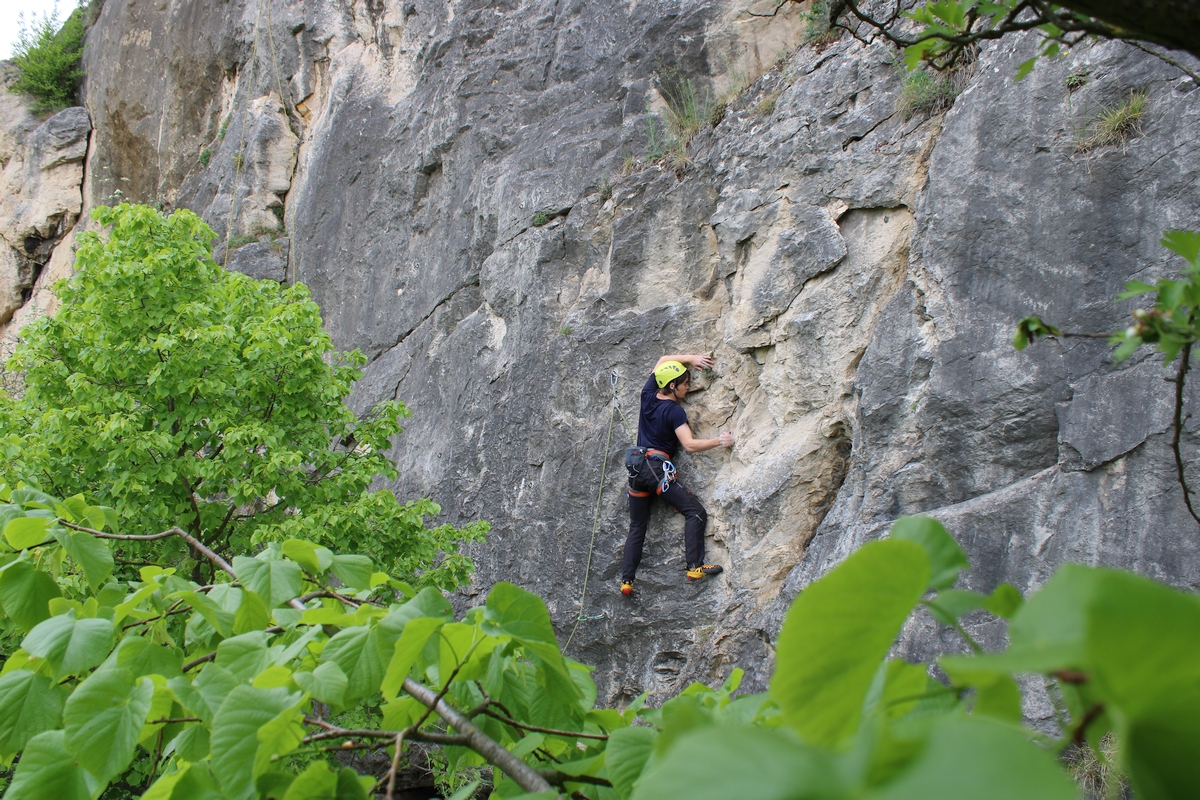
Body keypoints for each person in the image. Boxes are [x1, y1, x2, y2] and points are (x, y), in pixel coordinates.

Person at [620, 353, 734, 596]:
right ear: (672, 385)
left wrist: (691, 358)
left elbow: (661, 360)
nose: (688, 387)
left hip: (637, 469)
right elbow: (690, 445)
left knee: (637, 525)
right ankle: (695, 567)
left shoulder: (648, 395)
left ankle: (627, 581)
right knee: (695, 512)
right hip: (657, 470)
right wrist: (719, 440)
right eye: (685, 383)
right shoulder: (674, 411)